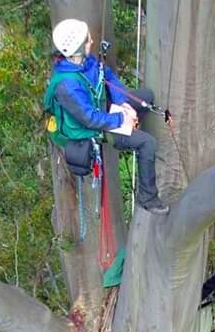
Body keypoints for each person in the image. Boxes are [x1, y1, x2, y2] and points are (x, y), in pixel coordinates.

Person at [45, 18, 169, 215]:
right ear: (77, 49)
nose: (92, 41)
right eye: (88, 40)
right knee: (148, 144)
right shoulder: (67, 86)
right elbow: (90, 119)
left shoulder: (84, 61)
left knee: (146, 96)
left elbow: (108, 76)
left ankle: (131, 132)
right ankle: (148, 198)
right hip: (93, 130)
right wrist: (122, 119)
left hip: (105, 109)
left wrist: (123, 104)